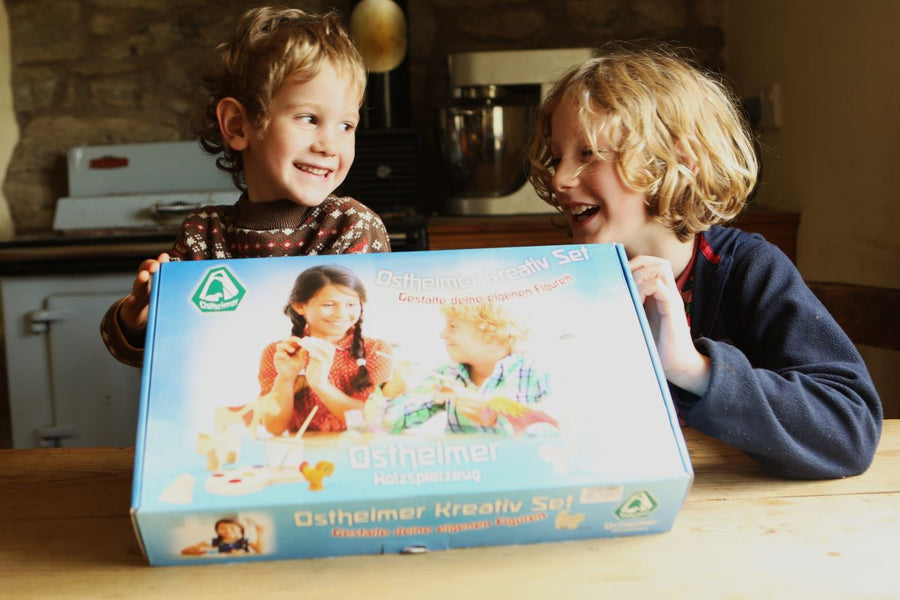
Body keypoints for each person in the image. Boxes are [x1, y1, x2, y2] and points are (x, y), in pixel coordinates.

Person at [526, 44, 882, 479]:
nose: (561, 179)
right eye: (558, 156)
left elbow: (850, 430)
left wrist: (693, 370)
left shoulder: (751, 269)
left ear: (678, 161)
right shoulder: (562, 283)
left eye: (587, 154)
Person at [101, 6, 390, 367]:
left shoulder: (353, 225)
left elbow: (358, 338)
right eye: (308, 118)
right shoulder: (203, 234)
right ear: (238, 125)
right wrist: (137, 317)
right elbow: (167, 350)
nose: (330, 145)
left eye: (346, 126)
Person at [259, 265, 394, 434]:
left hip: (360, 451)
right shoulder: (280, 353)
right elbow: (274, 428)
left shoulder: (376, 350)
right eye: (329, 304)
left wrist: (320, 384)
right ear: (300, 306)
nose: (341, 314)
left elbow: (372, 421)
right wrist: (285, 378)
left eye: (351, 304)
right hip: (306, 454)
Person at [384, 302, 556, 434]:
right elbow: (388, 426)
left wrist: (496, 417)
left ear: (491, 333)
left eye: (452, 326)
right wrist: (392, 391)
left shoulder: (536, 373)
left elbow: (558, 430)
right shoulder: (445, 375)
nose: (442, 334)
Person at [181, 518, 263, 555]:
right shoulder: (211, 541)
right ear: (217, 531)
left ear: (240, 530)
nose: (228, 531)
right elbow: (185, 551)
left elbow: (259, 551)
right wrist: (203, 552)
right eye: (223, 528)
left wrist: (259, 534)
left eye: (232, 528)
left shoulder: (245, 540)